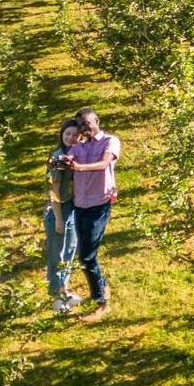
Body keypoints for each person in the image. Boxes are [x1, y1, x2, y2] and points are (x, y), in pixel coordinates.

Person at [67, 107, 120, 315]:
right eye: (80, 125)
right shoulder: (78, 147)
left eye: (87, 123)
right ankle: (99, 290)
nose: (84, 127)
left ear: (96, 120)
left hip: (99, 204)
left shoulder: (110, 141)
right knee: (85, 256)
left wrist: (79, 168)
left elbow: (105, 163)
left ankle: (102, 301)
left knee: (88, 256)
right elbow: (67, 159)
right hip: (80, 205)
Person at [44, 118, 82, 312]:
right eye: (68, 133)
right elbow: (54, 191)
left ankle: (64, 289)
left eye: (75, 135)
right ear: (62, 134)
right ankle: (56, 296)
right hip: (57, 211)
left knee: (70, 250)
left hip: (72, 211)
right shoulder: (58, 158)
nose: (71, 138)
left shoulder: (76, 156)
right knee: (56, 254)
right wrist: (59, 218)